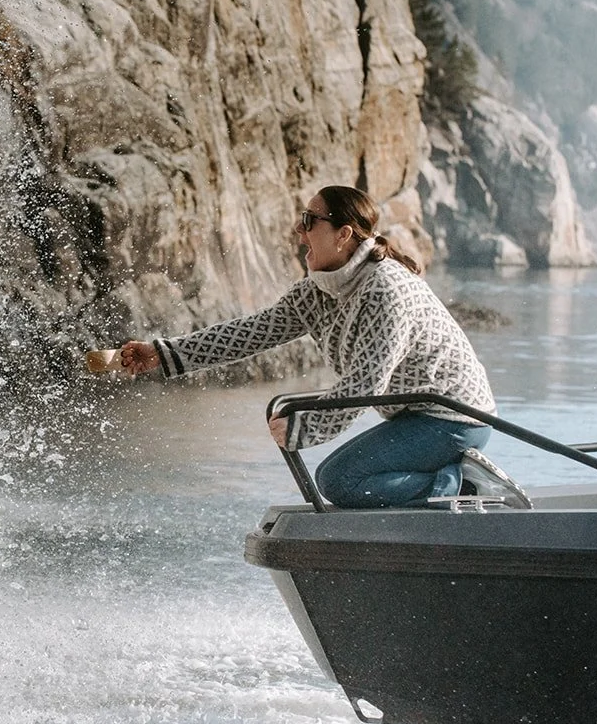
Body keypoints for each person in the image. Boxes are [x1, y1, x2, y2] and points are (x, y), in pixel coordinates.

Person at [116, 185, 528, 509]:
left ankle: (464, 484)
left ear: (344, 234)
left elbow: (367, 382)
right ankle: (448, 486)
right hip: (417, 413)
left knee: (340, 481)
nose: (300, 231)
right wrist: (163, 352)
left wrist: (305, 427)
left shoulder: (386, 290)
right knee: (344, 479)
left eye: (309, 220)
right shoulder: (320, 289)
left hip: (454, 417)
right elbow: (252, 331)